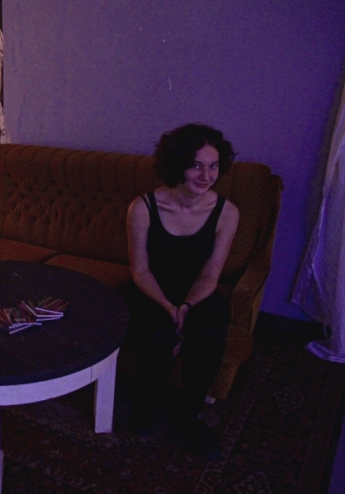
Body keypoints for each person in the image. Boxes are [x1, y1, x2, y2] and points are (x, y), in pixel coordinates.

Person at [125, 123, 239, 459]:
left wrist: (186, 307)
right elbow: (140, 270)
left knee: (209, 333)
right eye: (196, 165)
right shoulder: (142, 207)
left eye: (213, 166)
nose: (206, 176)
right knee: (157, 335)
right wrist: (168, 307)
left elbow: (211, 273)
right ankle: (147, 405)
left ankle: (189, 415)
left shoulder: (227, 212)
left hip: (198, 292)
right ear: (177, 165)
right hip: (151, 289)